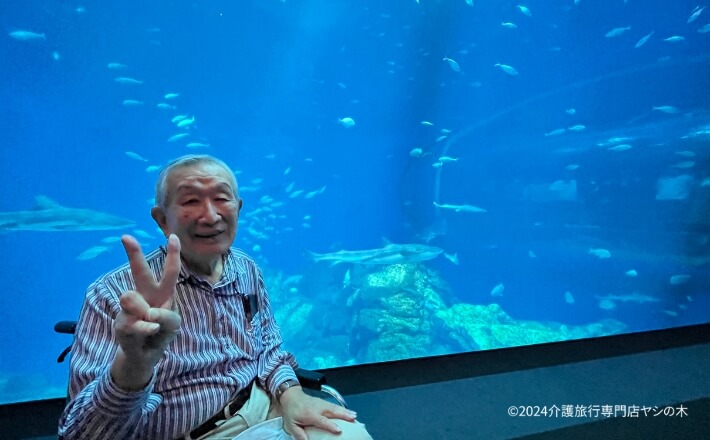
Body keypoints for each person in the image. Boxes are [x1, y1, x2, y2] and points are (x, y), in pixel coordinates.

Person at [58, 154, 372, 440]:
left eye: (222, 198)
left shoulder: (246, 269)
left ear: (239, 208)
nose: (210, 216)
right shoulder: (112, 294)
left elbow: (269, 351)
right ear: (161, 218)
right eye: (191, 200)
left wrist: (291, 395)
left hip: (264, 407)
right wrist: (134, 365)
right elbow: (80, 436)